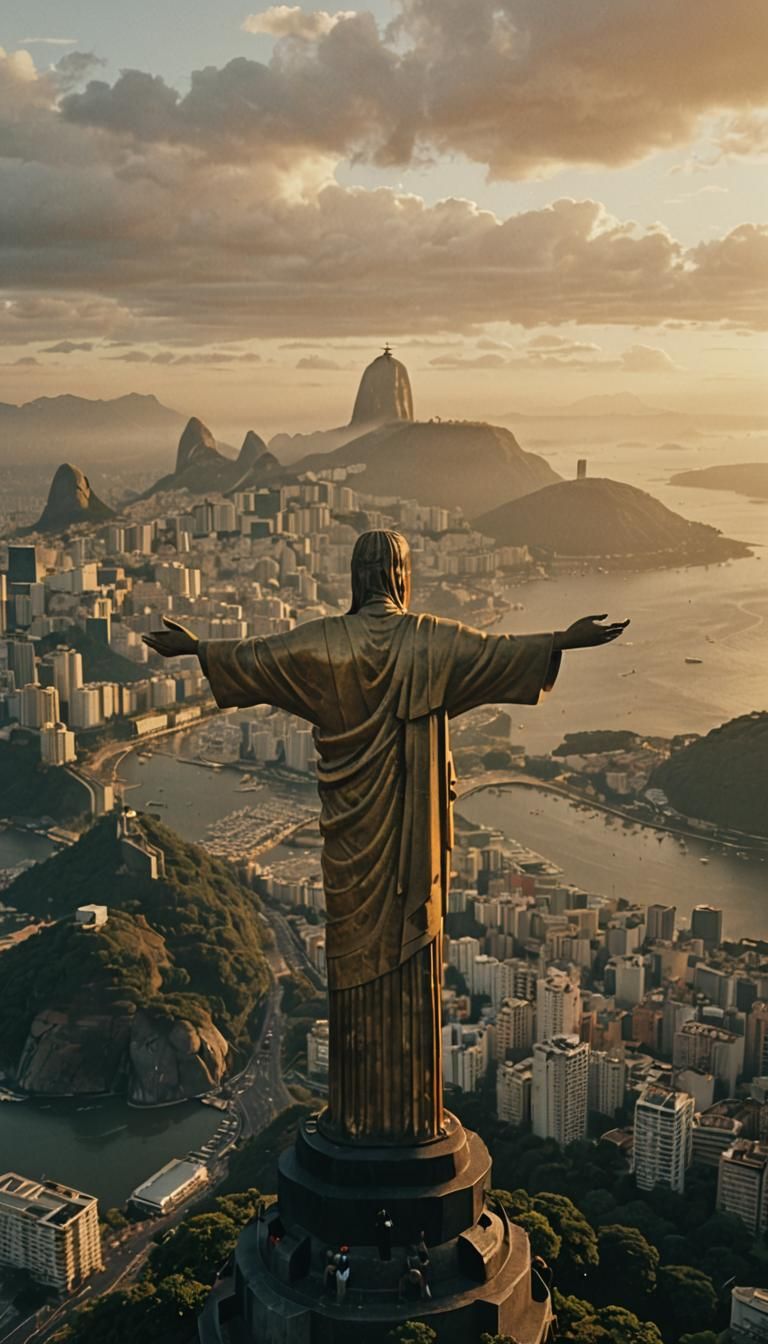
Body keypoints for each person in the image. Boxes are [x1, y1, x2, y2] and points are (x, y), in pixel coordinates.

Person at [144, 530, 628, 1145]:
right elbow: (500, 652)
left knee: (351, 959)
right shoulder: (432, 639)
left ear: (356, 576)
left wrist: (196, 649)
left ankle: (356, 1119)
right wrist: (564, 639)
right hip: (413, 843)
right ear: (402, 575)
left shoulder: (322, 642)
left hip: (350, 848)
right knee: (411, 952)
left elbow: (258, 656)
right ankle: (412, 1121)